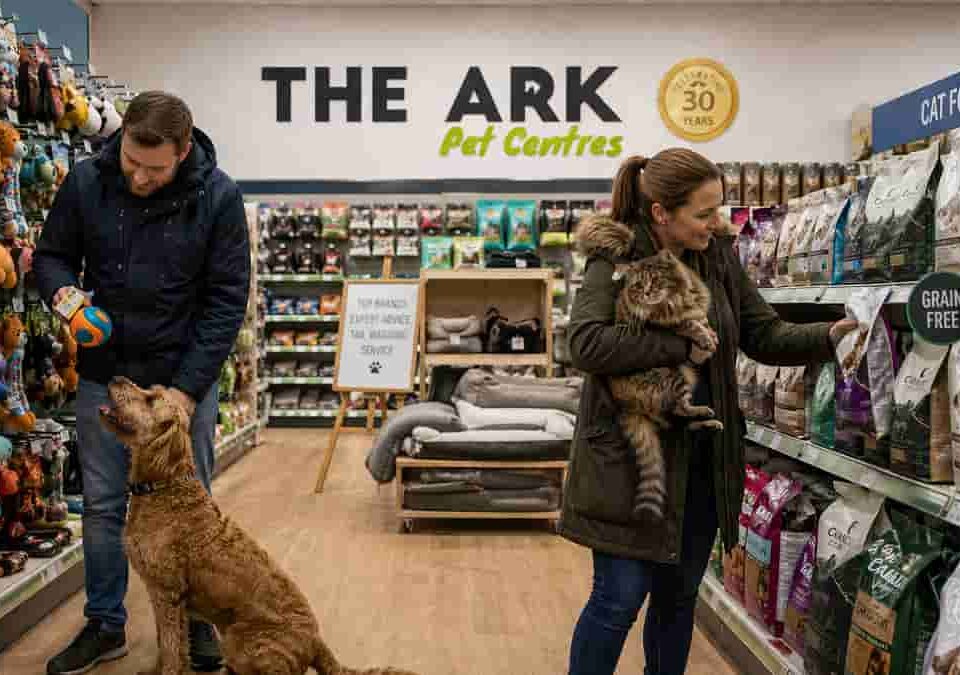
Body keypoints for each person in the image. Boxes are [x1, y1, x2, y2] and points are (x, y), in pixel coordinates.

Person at [561, 150, 855, 675]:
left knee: (677, 602)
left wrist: (831, 336)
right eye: (702, 213)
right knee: (618, 600)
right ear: (661, 213)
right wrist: (677, 346)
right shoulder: (616, 255)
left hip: (703, 460)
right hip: (631, 465)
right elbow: (586, 343)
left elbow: (762, 332)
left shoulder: (718, 254)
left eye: (717, 208)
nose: (715, 221)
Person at [35, 91, 251, 675]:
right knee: (104, 505)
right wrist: (69, 301)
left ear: (182, 152)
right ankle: (105, 624)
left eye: (154, 168)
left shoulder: (218, 197)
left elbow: (226, 300)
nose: (138, 176)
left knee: (192, 507)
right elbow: (51, 258)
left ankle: (198, 619)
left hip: (181, 381)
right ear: (123, 135)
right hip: (106, 377)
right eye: (132, 160)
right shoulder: (86, 182)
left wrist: (187, 390)